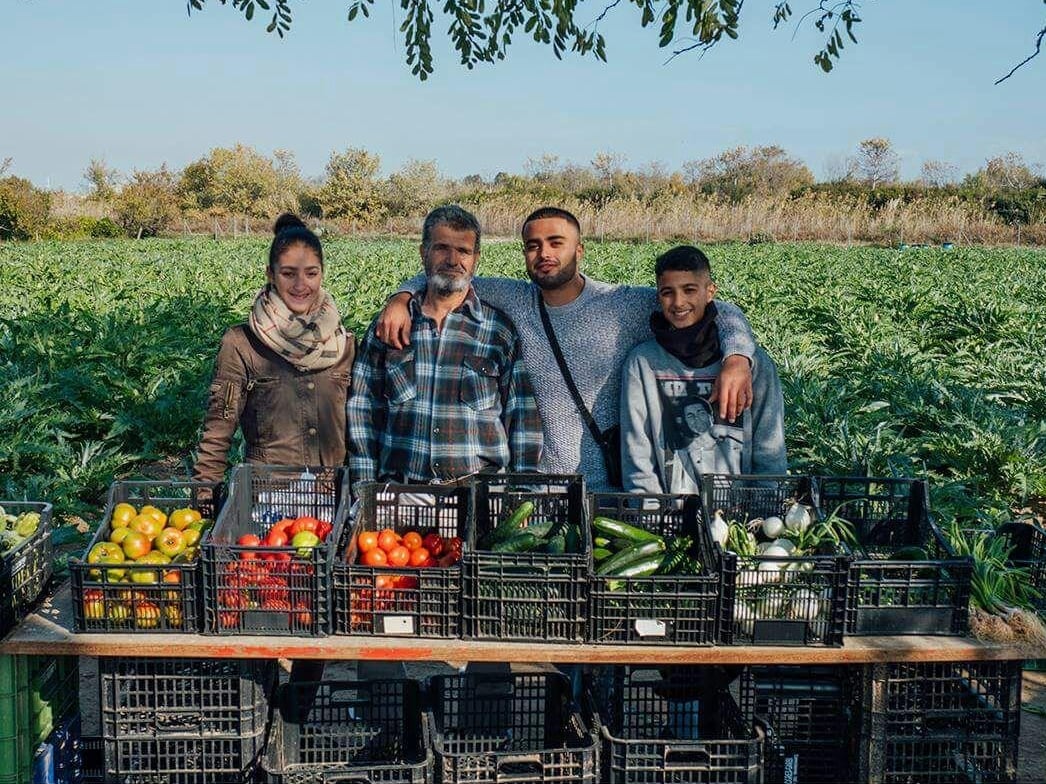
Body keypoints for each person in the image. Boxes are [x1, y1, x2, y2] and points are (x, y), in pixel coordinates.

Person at [375, 207, 758, 492]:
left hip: (608, 488)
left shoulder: (621, 305)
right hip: (540, 490)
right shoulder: (514, 298)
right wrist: (402, 296)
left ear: (580, 250)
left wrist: (737, 357)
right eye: (533, 245)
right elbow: (449, 273)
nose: (544, 253)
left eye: (556, 243)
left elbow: (711, 306)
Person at [347, 204, 543, 497]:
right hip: (402, 493)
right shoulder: (390, 326)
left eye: (463, 251)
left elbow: (522, 419)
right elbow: (363, 410)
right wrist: (364, 492)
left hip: (479, 495)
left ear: (476, 258)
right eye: (441, 248)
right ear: (423, 252)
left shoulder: (497, 330)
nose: (453, 260)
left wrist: (524, 493)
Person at [194, 213, 355, 483]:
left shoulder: (344, 344)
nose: (301, 285)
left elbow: (362, 432)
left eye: (311, 273)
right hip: (267, 497)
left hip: (333, 496)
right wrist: (204, 499)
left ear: (322, 274)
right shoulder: (241, 344)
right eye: (288, 274)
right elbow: (217, 433)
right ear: (271, 274)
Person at [621, 244, 787, 495]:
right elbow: (638, 455)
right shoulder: (643, 363)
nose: (678, 302)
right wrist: (652, 517)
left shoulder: (753, 365)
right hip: (669, 517)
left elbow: (770, 449)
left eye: (689, 289)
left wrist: (765, 509)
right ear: (658, 297)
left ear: (710, 292)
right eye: (668, 292)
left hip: (742, 517)